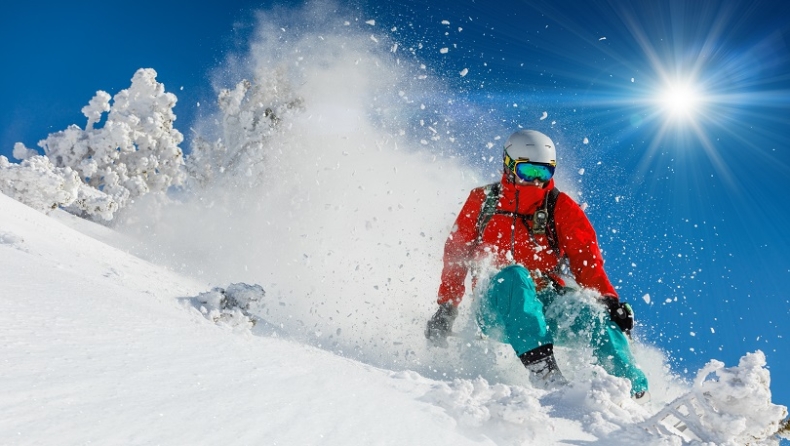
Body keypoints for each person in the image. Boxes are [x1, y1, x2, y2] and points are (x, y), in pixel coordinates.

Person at [424, 129, 649, 400]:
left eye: (543, 174)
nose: (534, 181)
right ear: (508, 166)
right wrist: (447, 307)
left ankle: (632, 391)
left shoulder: (560, 207)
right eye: (527, 172)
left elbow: (586, 260)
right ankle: (545, 371)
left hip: (547, 304)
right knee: (514, 275)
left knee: (595, 314)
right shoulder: (483, 200)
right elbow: (456, 254)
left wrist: (609, 300)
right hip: (495, 304)